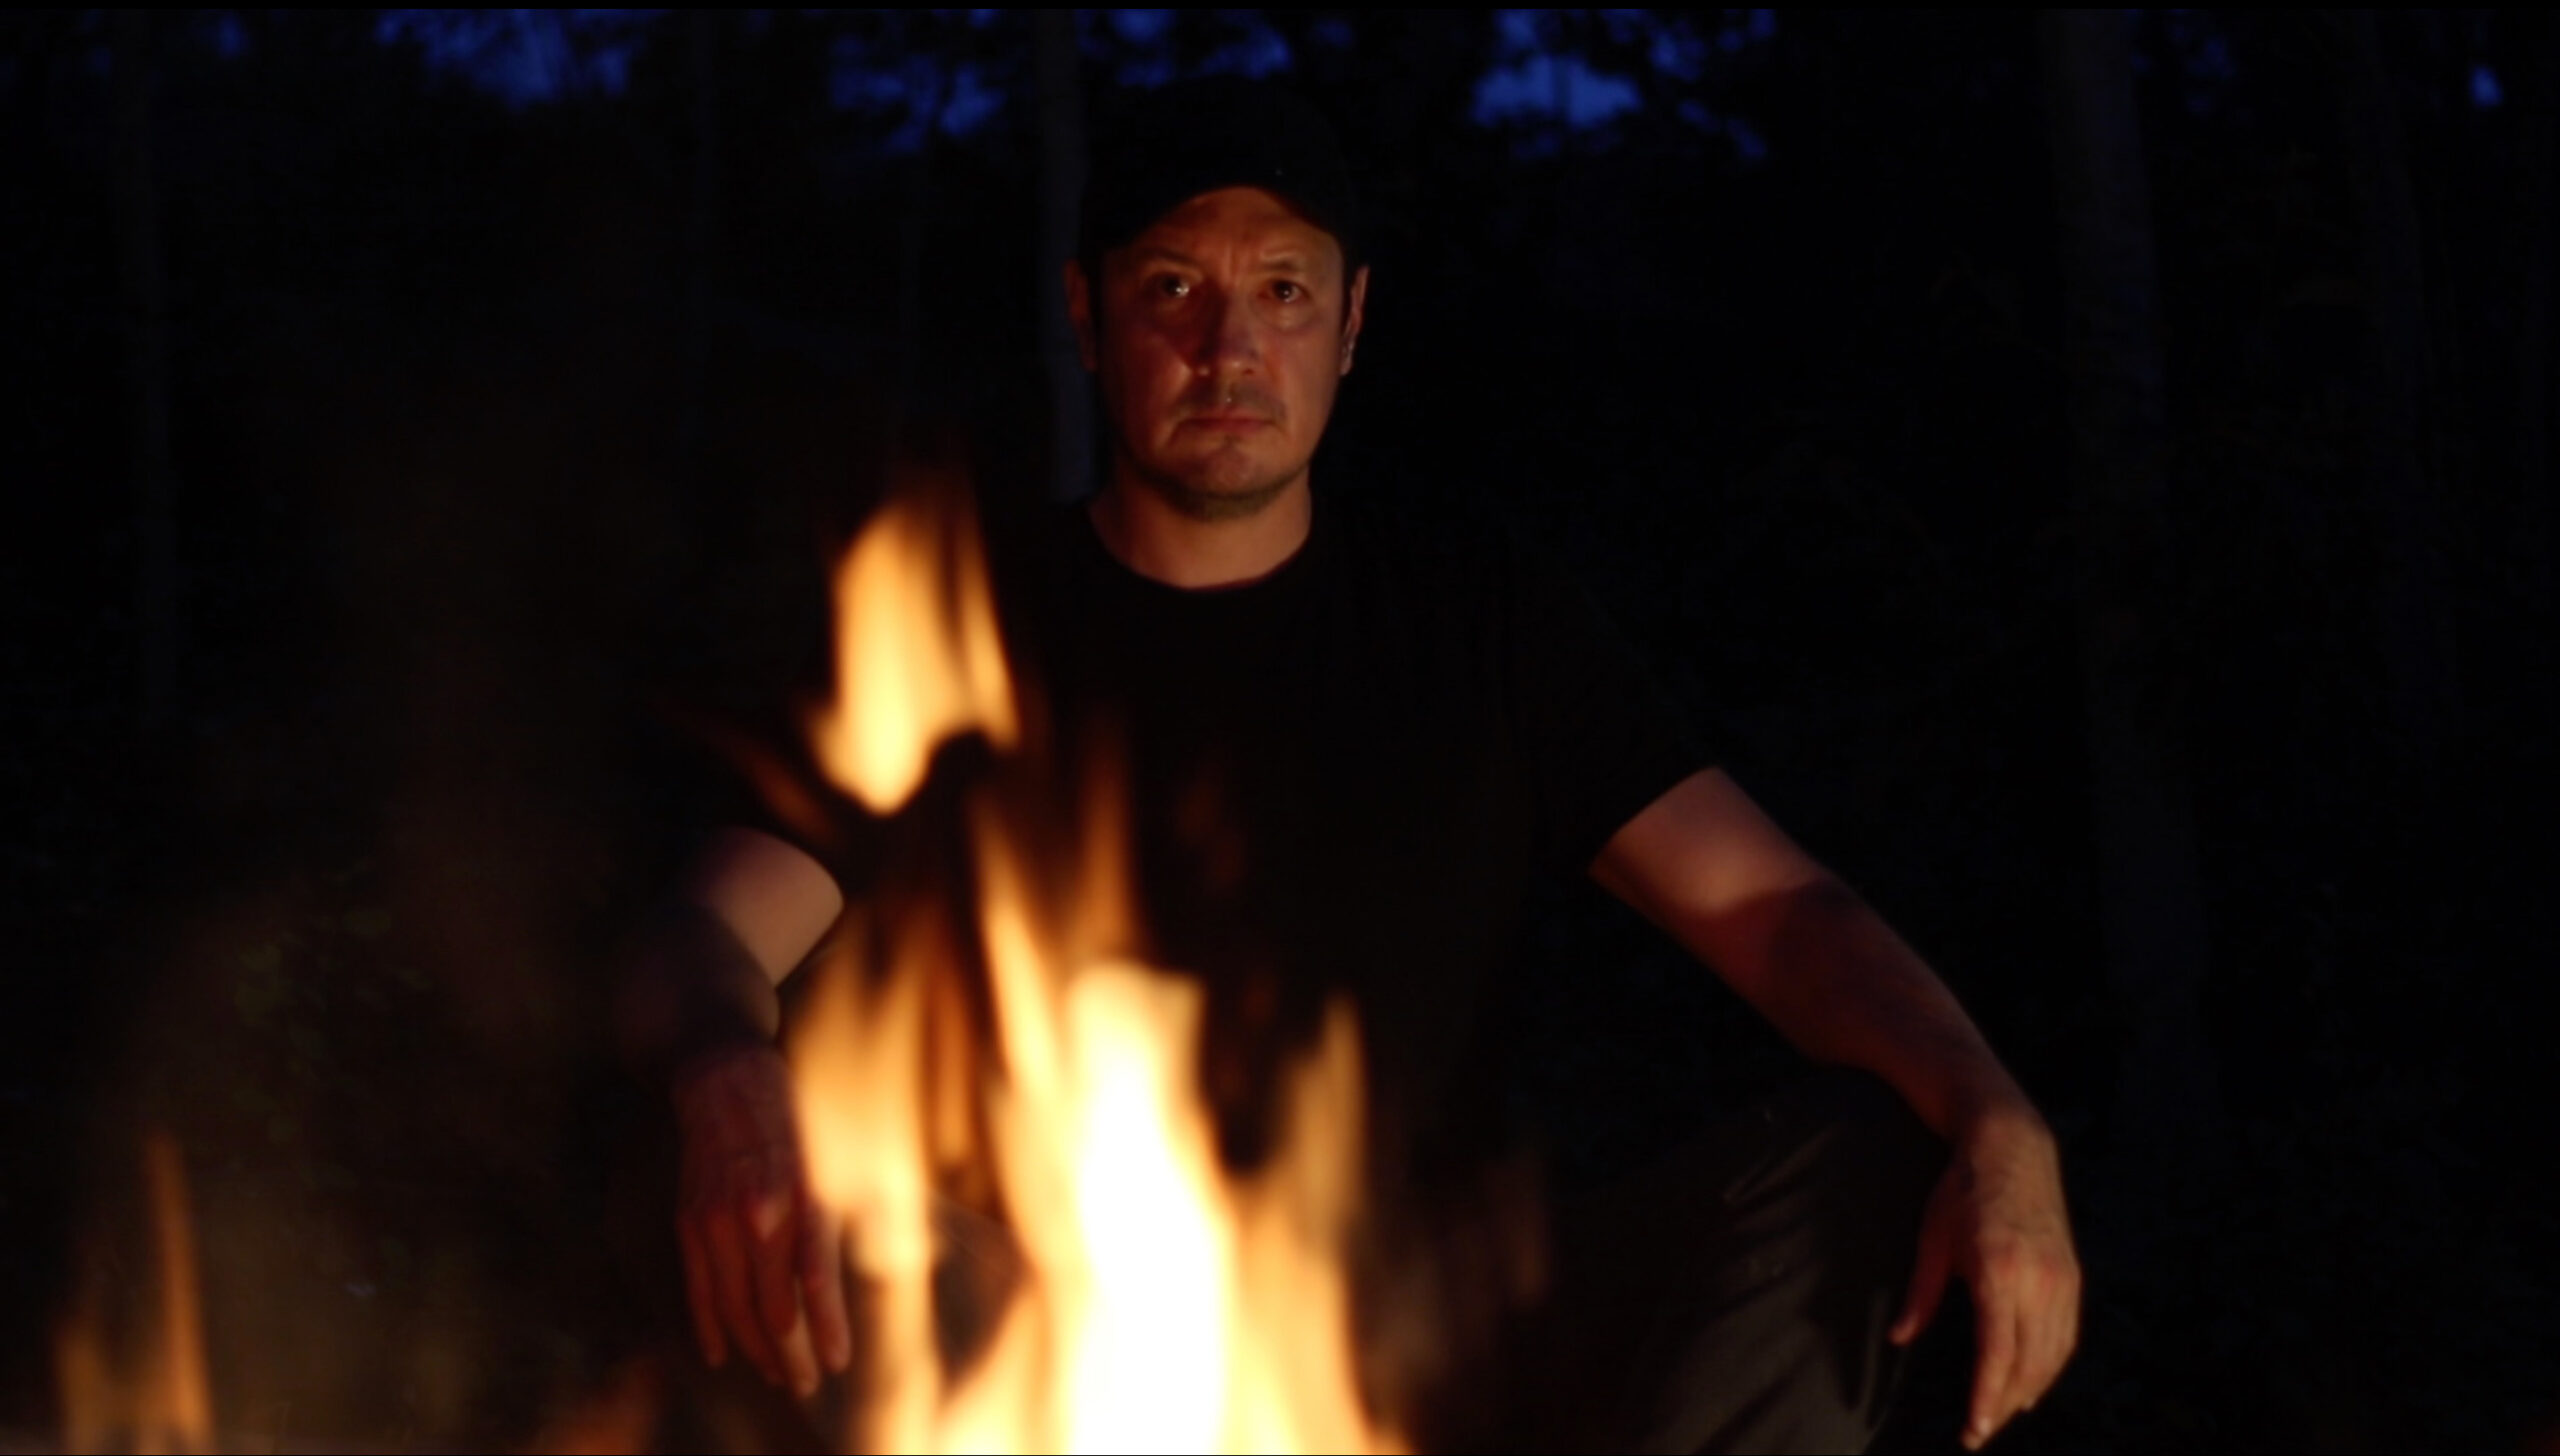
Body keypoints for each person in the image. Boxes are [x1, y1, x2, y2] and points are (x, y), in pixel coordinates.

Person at [616, 77, 2078, 1454]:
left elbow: (1778, 911)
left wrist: (1996, 1116)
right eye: (1172, 288)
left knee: (1861, 1155)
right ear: (1086, 312)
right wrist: (728, 1073)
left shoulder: (1479, 620)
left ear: (1351, 321)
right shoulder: (953, 621)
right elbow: (708, 931)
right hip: (1049, 1336)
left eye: (1283, 293)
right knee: (775, 1190)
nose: (1229, 349)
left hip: (1439, 1342)